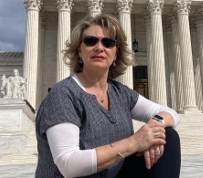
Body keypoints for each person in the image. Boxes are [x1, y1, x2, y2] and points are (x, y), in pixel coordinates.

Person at [35, 14, 181, 178]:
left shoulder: (120, 92)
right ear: (79, 50)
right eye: (91, 41)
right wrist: (135, 142)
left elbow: (170, 113)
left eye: (108, 42)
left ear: (116, 53)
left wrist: (154, 128)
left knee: (167, 137)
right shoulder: (63, 94)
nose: (99, 47)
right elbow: (69, 165)